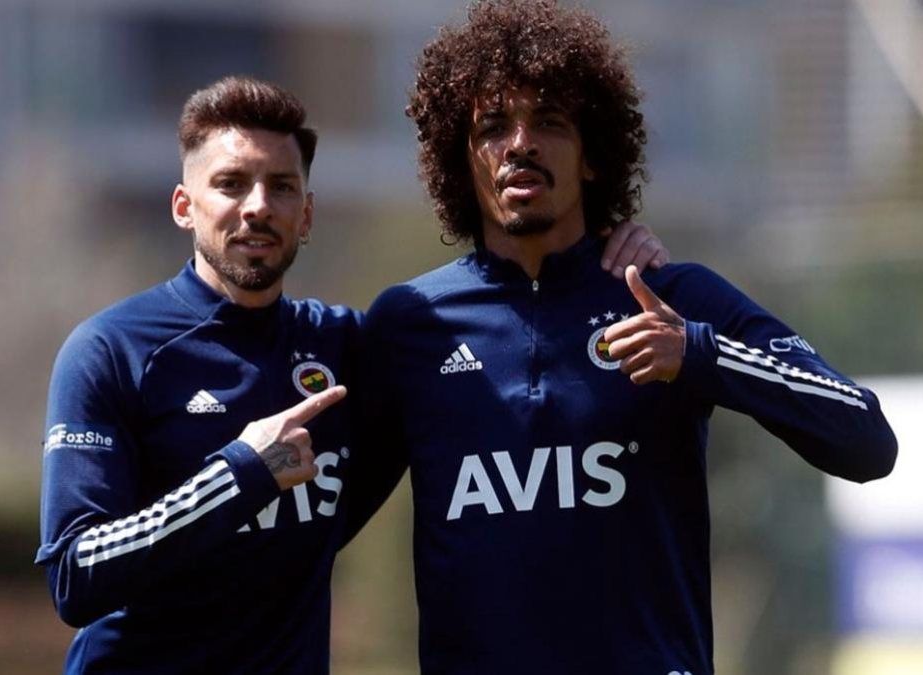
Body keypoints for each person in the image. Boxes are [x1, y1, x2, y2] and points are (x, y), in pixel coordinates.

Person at [36, 75, 668, 674]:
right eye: (231, 184)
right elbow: (73, 575)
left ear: (307, 214)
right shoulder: (111, 350)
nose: (258, 207)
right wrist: (240, 474)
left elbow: (506, 338)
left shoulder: (347, 347)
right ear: (184, 206)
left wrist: (600, 248)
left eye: (282, 187)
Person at [359, 2, 898, 674]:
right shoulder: (411, 323)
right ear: (461, 158)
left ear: (592, 157)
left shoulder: (673, 298)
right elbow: (314, 527)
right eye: (493, 126)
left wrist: (700, 352)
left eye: (550, 121)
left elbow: (866, 437)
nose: (520, 143)